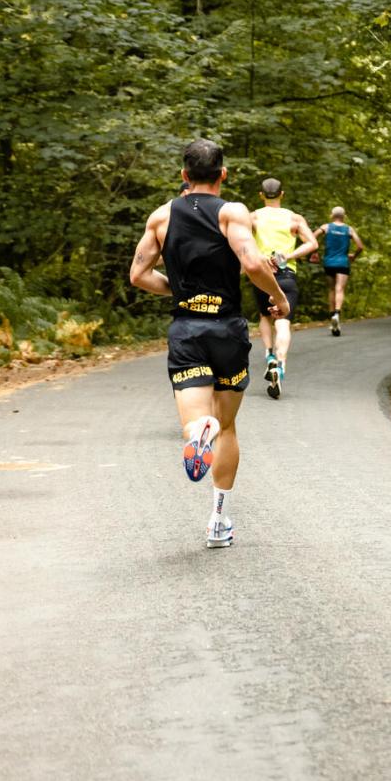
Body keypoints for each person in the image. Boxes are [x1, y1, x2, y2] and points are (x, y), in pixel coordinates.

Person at [129, 138, 286, 550]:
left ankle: (198, 430)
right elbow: (252, 263)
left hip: (186, 330)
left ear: (184, 175)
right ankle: (218, 522)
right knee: (228, 426)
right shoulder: (232, 212)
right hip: (227, 330)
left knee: (196, 420)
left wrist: (179, 289)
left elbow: (138, 275)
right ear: (223, 174)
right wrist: (279, 298)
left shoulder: (161, 217)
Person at [250, 177, 316, 399]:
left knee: (264, 316)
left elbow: (241, 242)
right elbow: (312, 243)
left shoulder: (253, 217)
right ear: (282, 194)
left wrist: (260, 258)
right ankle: (280, 364)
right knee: (283, 321)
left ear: (261, 195)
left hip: (262, 276)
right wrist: (288, 256)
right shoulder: (294, 218)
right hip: (287, 275)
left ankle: (269, 355)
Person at [314, 206, 362, 336]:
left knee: (331, 289)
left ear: (332, 215)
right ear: (344, 216)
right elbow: (360, 246)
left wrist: (314, 252)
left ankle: (332, 318)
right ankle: (337, 313)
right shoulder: (349, 229)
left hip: (329, 262)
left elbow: (312, 237)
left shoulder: (326, 227)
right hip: (343, 263)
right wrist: (354, 256)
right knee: (339, 288)